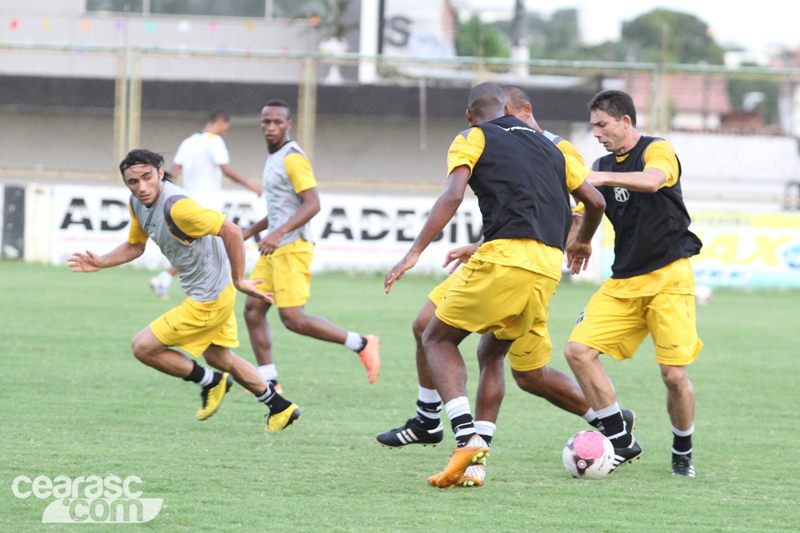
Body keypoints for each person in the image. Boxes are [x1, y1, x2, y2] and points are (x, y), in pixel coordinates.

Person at [376, 85, 630, 487]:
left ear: (470, 115)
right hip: (547, 267)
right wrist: (582, 241)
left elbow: (453, 194)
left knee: (436, 339)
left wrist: (414, 252)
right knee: (491, 353)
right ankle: (473, 460)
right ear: (511, 110)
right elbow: (595, 202)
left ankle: (464, 436)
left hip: (504, 260)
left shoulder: (473, 137)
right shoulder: (553, 148)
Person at [69, 149, 300, 432]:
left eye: (147, 178)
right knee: (220, 358)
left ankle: (211, 381)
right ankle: (280, 407)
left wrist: (240, 280)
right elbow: (135, 245)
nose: (141, 187)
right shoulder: (137, 203)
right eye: (133, 181)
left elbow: (231, 231)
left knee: (142, 347)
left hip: (210, 298)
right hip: (210, 291)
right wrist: (102, 261)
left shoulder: (177, 207)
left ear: (161, 173)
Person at [564, 89, 703, 477]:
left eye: (602, 125)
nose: (596, 133)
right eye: (593, 126)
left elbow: (654, 181)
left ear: (625, 121)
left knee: (674, 376)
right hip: (623, 280)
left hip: (669, 278)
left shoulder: (658, 150)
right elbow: (584, 211)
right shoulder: (601, 163)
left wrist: (600, 176)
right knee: (577, 351)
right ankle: (620, 440)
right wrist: (581, 236)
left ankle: (682, 448)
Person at [242, 99, 380, 392]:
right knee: (253, 310)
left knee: (293, 319)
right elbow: (283, 206)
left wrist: (278, 233)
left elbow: (313, 203)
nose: (270, 127)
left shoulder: (292, 157)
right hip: (273, 247)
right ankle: (269, 382)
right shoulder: (274, 156)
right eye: (266, 122)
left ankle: (362, 343)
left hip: (292, 247)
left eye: (277, 122)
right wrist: (252, 230)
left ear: (288, 125)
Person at [149, 109, 262, 300]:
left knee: (201, 248)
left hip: (187, 202)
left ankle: (166, 279)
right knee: (219, 243)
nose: (226, 130)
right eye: (226, 126)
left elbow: (174, 171)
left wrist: (164, 195)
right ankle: (216, 288)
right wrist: (251, 186)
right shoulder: (214, 141)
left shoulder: (188, 142)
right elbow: (225, 169)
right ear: (219, 121)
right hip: (207, 204)